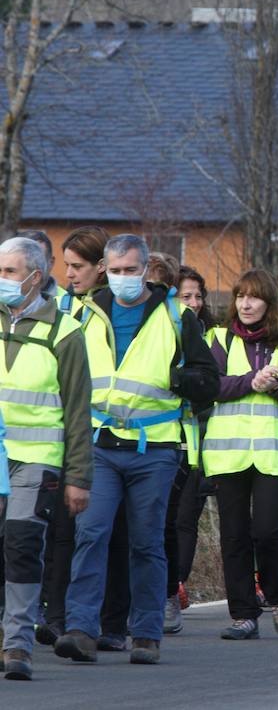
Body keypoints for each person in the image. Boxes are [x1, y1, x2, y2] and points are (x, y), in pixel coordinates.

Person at [54, 234, 218, 667]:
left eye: (132, 270)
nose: (124, 278)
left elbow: (208, 381)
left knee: (146, 542)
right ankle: (81, 630)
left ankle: (146, 633)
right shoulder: (82, 313)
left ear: (146, 269)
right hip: (99, 445)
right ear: (103, 270)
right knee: (91, 535)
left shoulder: (178, 316)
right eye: (116, 270)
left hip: (155, 447)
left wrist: (184, 380)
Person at [0, 237, 92, 681]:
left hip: (35, 460)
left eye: (9, 273)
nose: (0, 280)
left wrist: (79, 476)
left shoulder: (65, 331)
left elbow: (77, 409)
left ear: (35, 278)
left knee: (20, 547)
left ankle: (16, 645)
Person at [205, 269, 278, 641]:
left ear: (269, 303)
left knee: (268, 532)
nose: (245, 304)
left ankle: (276, 593)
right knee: (234, 537)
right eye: (240, 296)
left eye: (253, 297)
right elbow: (207, 386)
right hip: (229, 455)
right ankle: (243, 615)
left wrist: (276, 387)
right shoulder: (219, 339)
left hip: (274, 457)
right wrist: (250, 382)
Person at [36, 225, 110, 648]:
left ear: (101, 267)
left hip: (105, 435)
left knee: (87, 533)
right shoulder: (66, 309)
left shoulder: (108, 311)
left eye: (77, 266)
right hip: (66, 431)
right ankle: (56, 614)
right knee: (59, 531)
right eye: (65, 266)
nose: (69, 274)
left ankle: (95, 618)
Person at [166, 266, 215, 631]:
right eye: (187, 296)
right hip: (167, 440)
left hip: (203, 445)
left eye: (199, 296)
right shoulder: (168, 330)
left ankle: (177, 585)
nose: (194, 303)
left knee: (186, 520)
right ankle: (167, 588)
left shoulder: (212, 336)